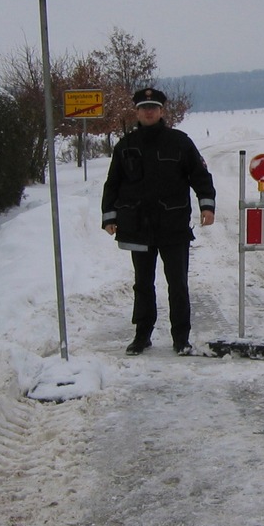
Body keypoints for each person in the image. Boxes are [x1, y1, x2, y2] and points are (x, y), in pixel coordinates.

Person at [102, 87, 216, 355]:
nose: (149, 112)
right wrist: (109, 216)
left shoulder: (179, 142)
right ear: (137, 112)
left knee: (177, 284)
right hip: (137, 228)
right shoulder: (125, 146)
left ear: (162, 111)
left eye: (153, 107)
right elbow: (113, 183)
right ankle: (142, 335)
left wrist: (206, 205)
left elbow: (200, 176)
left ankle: (181, 338)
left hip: (173, 227)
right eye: (144, 108)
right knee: (143, 283)